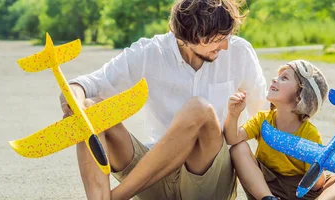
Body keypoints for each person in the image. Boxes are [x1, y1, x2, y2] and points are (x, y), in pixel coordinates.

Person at [59, 0, 268, 199]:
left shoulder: (239, 52)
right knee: (90, 109)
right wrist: (75, 102)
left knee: (200, 109)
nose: (225, 46)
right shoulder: (150, 52)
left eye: (227, 36)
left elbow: (266, 116)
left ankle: (118, 196)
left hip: (208, 180)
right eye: (216, 39)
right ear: (187, 37)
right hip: (154, 179)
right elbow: (83, 85)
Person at [224, 60, 335, 200]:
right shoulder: (262, 120)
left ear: (300, 95)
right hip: (266, 186)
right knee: (237, 148)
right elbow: (232, 138)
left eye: (284, 78)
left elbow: (316, 185)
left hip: (302, 189)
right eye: (278, 76)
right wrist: (233, 114)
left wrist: (322, 163)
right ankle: (267, 198)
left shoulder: (309, 133)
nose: (274, 79)